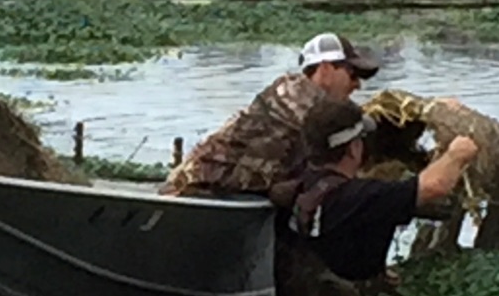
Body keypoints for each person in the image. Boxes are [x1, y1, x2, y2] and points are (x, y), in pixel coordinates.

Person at [270, 96, 478, 296]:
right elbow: (434, 186)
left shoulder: (300, 183)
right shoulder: (359, 197)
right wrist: (457, 153)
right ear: (353, 148)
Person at [161, 32, 381, 197]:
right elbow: (334, 132)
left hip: (229, 189)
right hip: (196, 188)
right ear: (325, 70)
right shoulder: (296, 100)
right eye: (352, 74)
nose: (357, 84)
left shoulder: (311, 101)